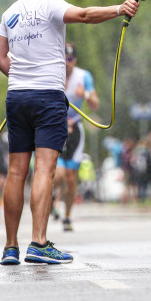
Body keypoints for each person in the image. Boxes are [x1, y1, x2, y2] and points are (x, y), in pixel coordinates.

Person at [0, 0, 139, 266]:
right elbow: (84, 15)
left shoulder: (10, 12)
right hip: (47, 97)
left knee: (16, 172)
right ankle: (39, 243)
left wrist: (22, 78)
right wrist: (119, 9)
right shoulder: (48, 4)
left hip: (17, 97)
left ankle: (10, 247)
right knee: (44, 169)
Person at [53, 43, 99, 232]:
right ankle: (51, 198)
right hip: (55, 128)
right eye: (63, 58)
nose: (67, 63)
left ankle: (67, 215)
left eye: (70, 59)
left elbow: (96, 104)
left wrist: (85, 94)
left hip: (75, 129)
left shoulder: (83, 76)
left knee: (71, 178)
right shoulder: (53, 75)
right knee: (58, 175)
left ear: (75, 60)